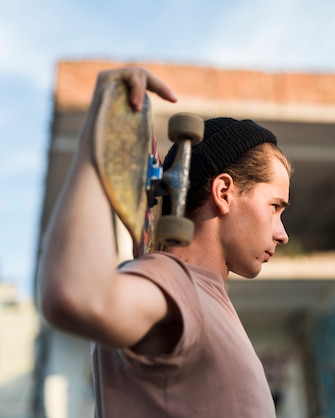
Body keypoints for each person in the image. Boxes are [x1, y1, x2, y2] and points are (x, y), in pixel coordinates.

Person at [37, 66, 292, 417]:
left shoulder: (206, 297)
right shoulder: (173, 279)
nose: (283, 233)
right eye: (275, 207)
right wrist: (99, 141)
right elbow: (75, 297)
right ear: (224, 192)